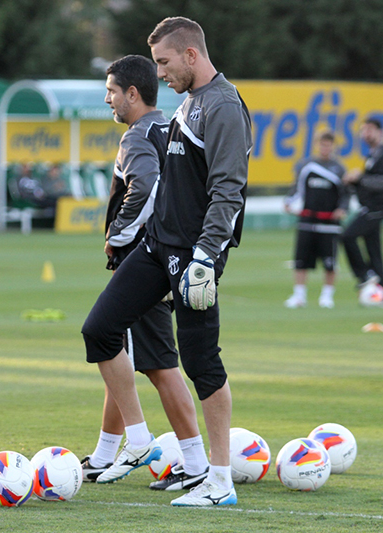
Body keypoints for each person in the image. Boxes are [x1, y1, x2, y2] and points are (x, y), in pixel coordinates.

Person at [81, 17, 252, 507]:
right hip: (157, 247)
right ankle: (137, 440)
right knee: (100, 329)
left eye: (164, 63)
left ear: (191, 55)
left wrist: (205, 258)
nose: (161, 73)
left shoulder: (222, 106)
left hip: (193, 255)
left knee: (201, 364)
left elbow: (228, 191)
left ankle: (219, 482)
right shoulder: (190, 103)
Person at [81, 54, 209, 493]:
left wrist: (119, 235)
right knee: (125, 357)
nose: (108, 99)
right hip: (167, 256)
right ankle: (104, 453)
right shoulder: (169, 124)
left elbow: (148, 185)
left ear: (132, 94)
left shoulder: (136, 136)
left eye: (112, 91)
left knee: (157, 364)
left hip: (145, 261)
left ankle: (184, 458)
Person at [283, 130, 348, 309]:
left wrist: (342, 209)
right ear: (317, 145)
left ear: (333, 146)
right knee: (301, 261)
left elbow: (345, 194)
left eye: (328, 144)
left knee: (330, 263)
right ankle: (299, 296)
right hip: (307, 222)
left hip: (329, 225)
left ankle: (327, 297)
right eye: (322, 144)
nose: (325, 148)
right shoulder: (306, 166)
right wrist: (289, 203)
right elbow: (297, 188)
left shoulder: (339, 169)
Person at [342, 117, 383, 302]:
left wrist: (360, 179)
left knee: (347, 236)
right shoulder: (372, 155)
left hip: (375, 209)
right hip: (369, 208)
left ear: (380, 132)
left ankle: (364, 274)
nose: (366, 133)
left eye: (370, 129)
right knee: (374, 251)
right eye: (364, 130)